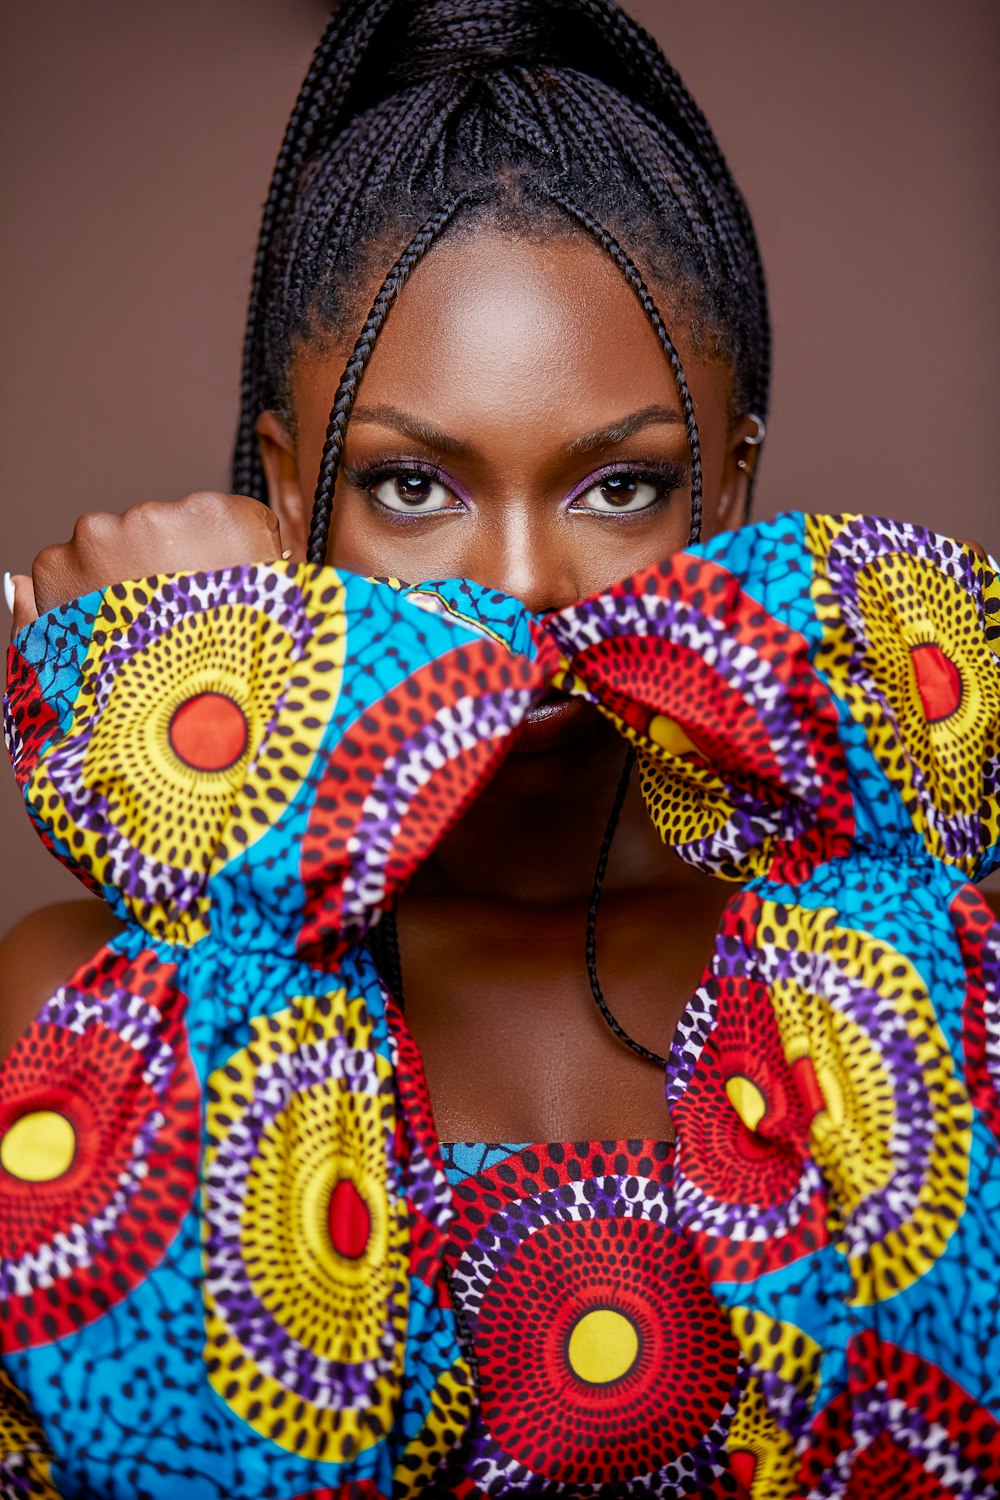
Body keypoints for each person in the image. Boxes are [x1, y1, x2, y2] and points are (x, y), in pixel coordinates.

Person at [1, 2, 998, 1496]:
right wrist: (209, 795)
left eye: (619, 483)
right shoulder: (84, 998)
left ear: (731, 486)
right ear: (289, 496)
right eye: (412, 488)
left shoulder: (908, 958)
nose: (524, 578)